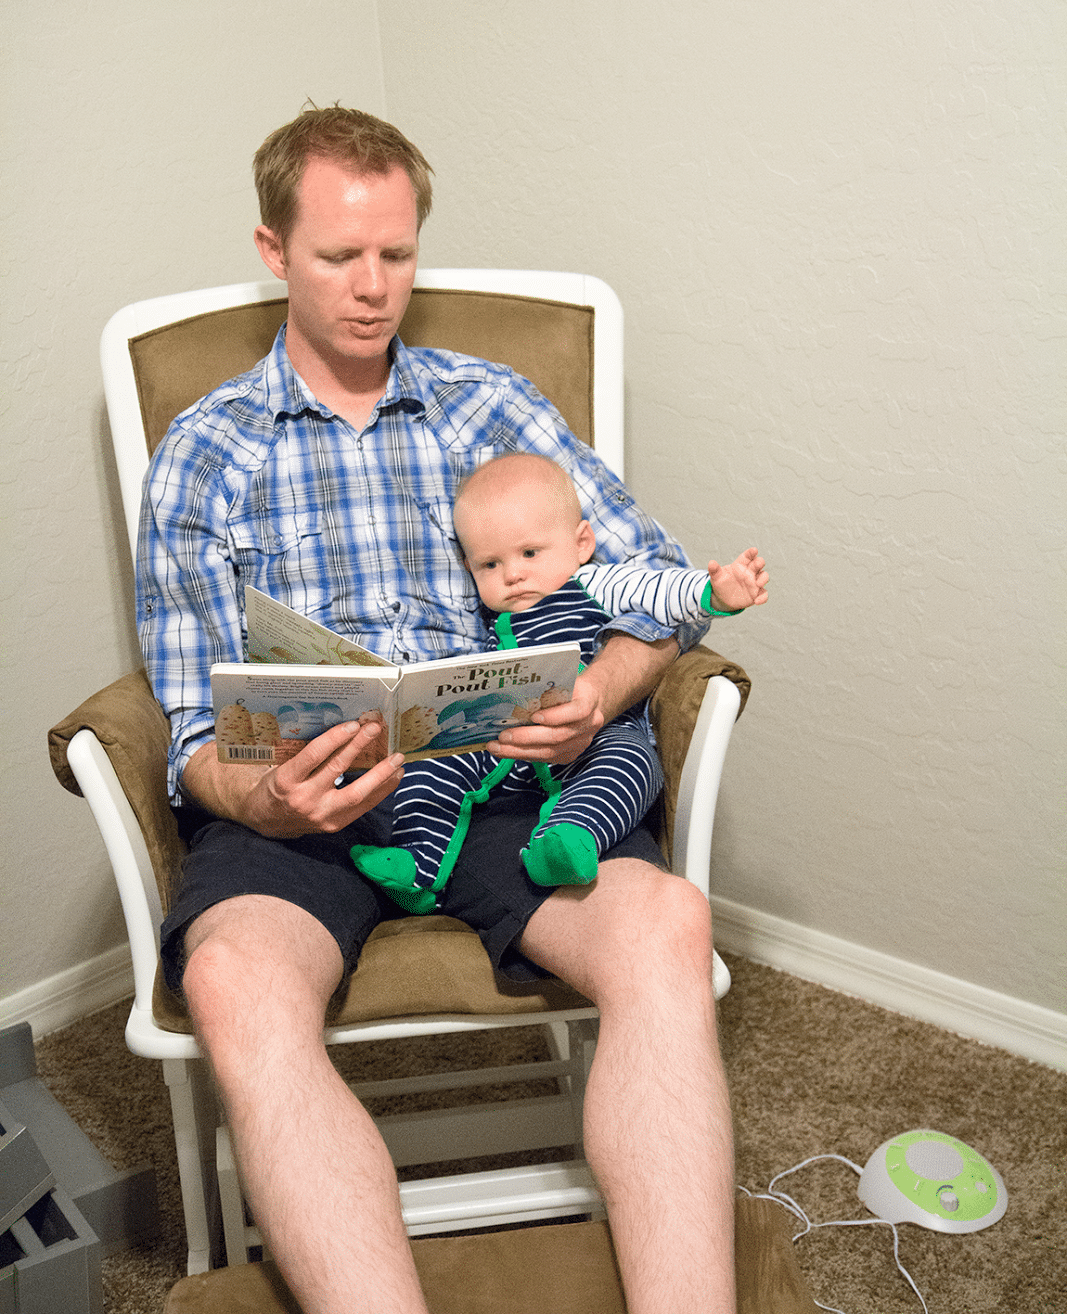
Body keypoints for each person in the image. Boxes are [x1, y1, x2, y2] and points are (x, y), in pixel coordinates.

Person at [138, 104, 741, 1314]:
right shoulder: (203, 458)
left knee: (664, 924)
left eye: (396, 254)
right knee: (236, 986)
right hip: (299, 812)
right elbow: (191, 735)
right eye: (336, 257)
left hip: (510, 782)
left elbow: (661, 589)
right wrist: (256, 789)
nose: (373, 288)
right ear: (272, 251)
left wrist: (595, 691)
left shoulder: (491, 405)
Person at [351, 452, 768, 908]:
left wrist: (713, 594)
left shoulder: (595, 584)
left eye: (530, 553)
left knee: (631, 763)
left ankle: (568, 839)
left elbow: (660, 593)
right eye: (489, 565)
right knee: (433, 764)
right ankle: (416, 863)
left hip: (592, 737)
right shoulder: (487, 624)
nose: (513, 574)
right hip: (503, 746)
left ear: (582, 542)